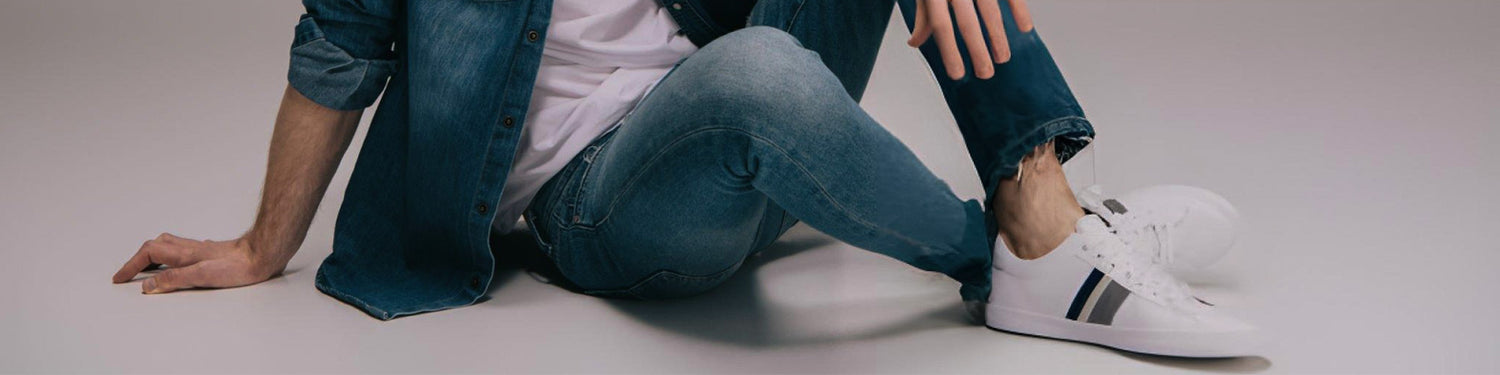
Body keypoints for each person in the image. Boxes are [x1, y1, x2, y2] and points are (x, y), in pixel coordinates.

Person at [111, 0, 1264, 357]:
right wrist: (264, 246)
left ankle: (1045, 214)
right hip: (610, 211)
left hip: (742, 134)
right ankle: (1010, 261)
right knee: (756, 70)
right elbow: (340, 46)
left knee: (753, 67)